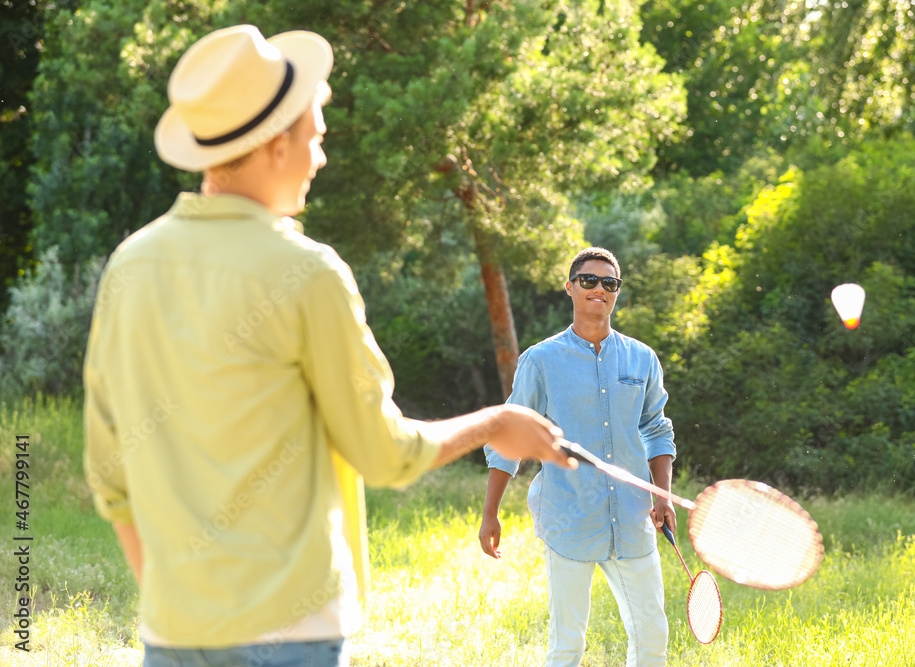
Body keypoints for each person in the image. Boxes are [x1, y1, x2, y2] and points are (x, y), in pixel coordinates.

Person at [82, 25, 574, 667]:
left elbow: (108, 469)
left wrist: (176, 604)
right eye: (314, 137)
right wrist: (496, 422)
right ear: (276, 144)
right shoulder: (308, 274)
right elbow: (386, 454)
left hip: (172, 634)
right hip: (293, 636)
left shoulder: (129, 266)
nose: (319, 157)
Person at [479, 247, 677, 667]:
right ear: (570, 288)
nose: (599, 289)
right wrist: (490, 513)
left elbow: (656, 429)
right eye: (589, 280)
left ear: (617, 292)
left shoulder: (642, 359)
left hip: (632, 519)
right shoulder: (541, 360)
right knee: (567, 645)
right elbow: (508, 437)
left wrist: (663, 496)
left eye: (610, 283)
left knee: (652, 637)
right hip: (568, 519)